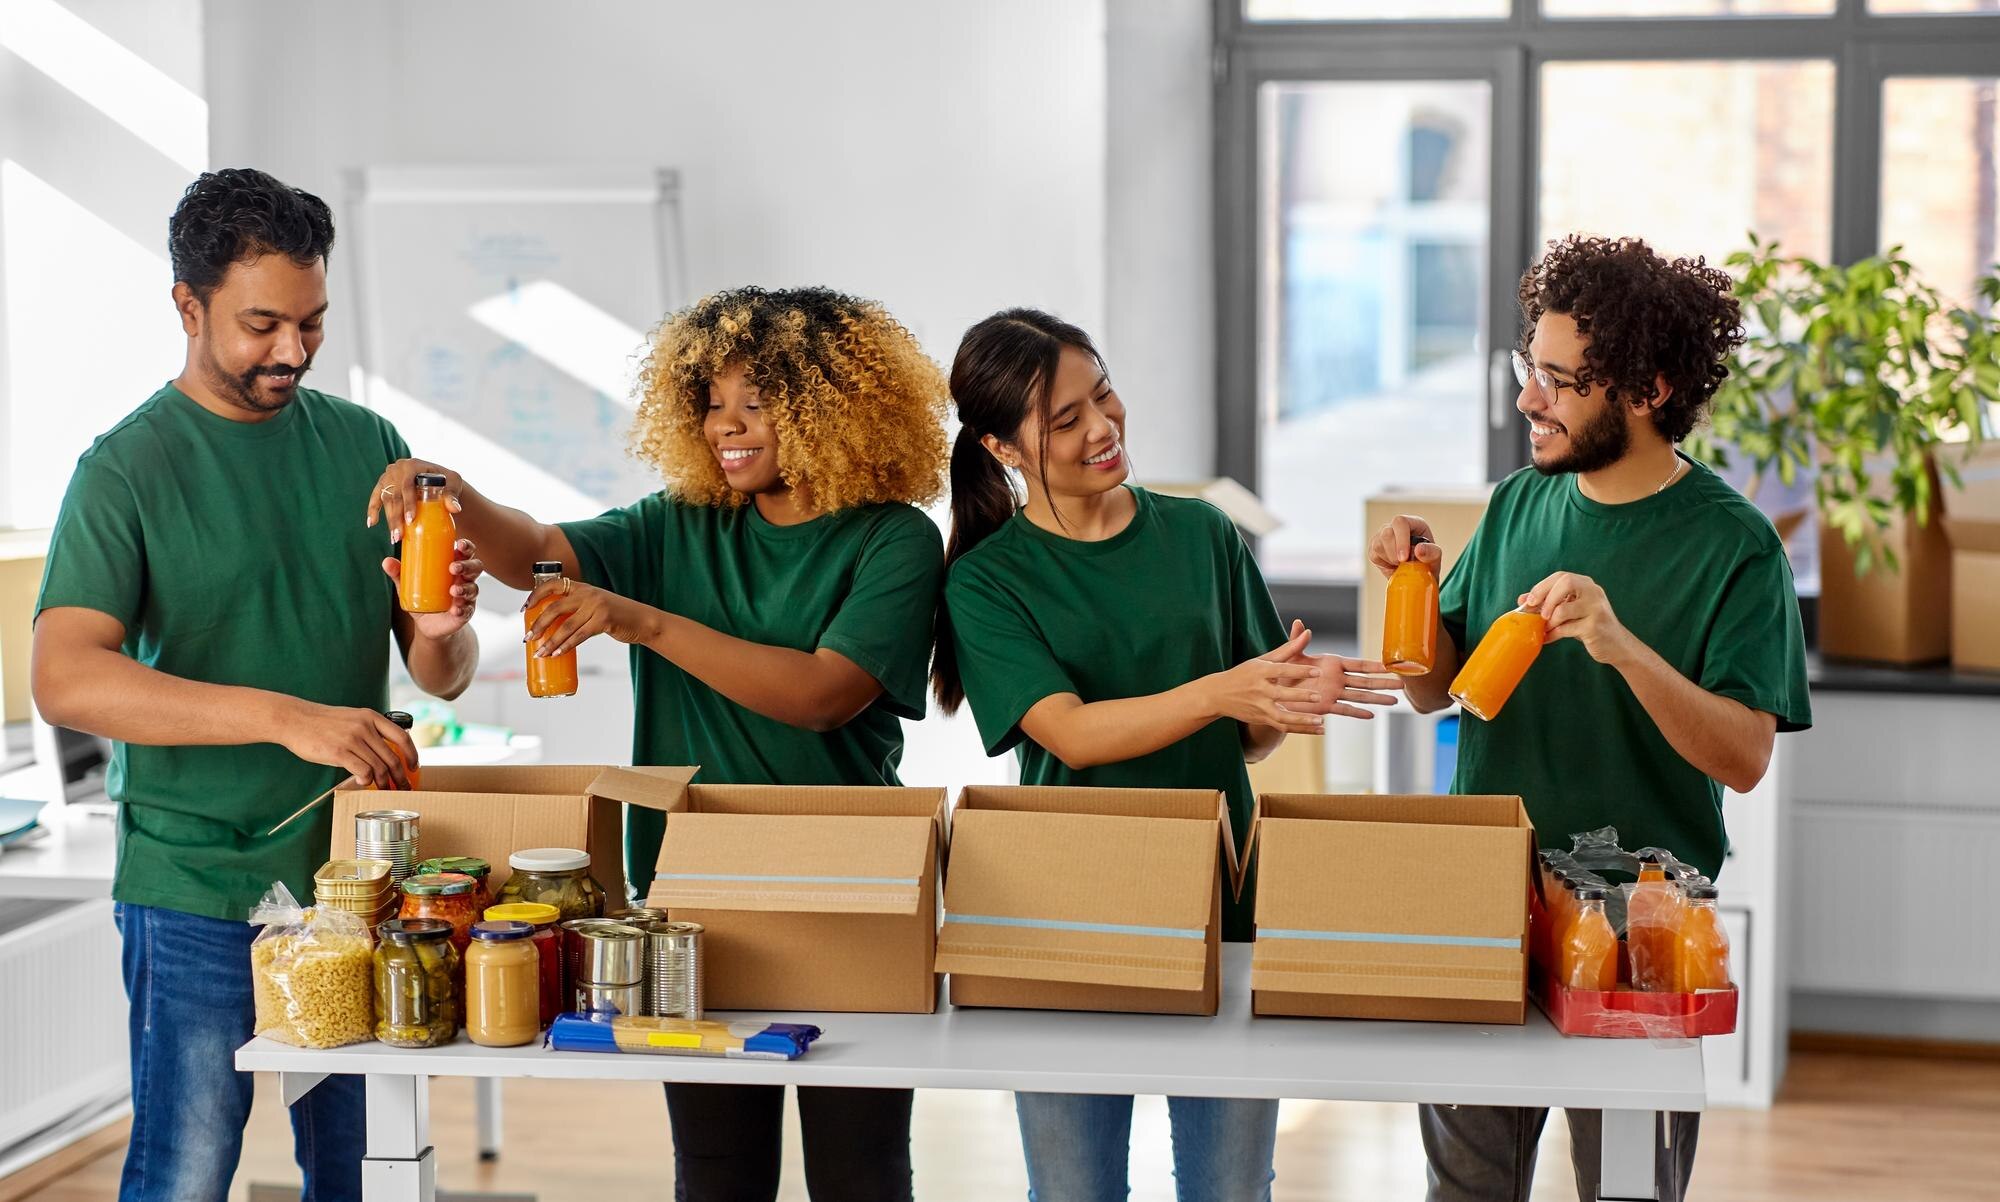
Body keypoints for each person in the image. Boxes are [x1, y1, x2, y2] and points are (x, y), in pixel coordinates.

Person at [368, 285, 949, 1202]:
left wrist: (643, 622)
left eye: (756, 404)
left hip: (849, 885)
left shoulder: (894, 540)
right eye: (712, 404)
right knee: (715, 1174)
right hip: (692, 894)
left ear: (830, 409)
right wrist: (452, 490)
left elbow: (824, 696)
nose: (728, 427)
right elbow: (536, 555)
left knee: (860, 1172)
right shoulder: (678, 522)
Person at [31, 168, 483, 1202]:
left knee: (366, 1163)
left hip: (355, 879)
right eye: (262, 323)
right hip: (192, 879)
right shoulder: (126, 470)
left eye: (313, 322)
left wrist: (446, 622)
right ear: (187, 306)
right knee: (187, 1167)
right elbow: (64, 676)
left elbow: (437, 671)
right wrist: (290, 719)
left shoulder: (368, 448)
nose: (292, 350)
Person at [1374, 234, 1812, 1202]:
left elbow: (1741, 756)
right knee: (1466, 1193)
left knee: (1623, 1191)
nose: (1529, 398)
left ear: (1649, 388)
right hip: (1483, 906)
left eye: (1559, 380)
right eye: (1529, 369)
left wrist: (1618, 644)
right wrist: (1414, 587)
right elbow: (1433, 689)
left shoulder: (1733, 548)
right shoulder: (1515, 503)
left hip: (1637, 935)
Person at [933, 307, 1403, 1202]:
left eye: (1102, 395)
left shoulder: (1202, 535)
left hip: (1220, 905)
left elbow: (1250, 736)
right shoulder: (987, 579)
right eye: (1064, 421)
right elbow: (1070, 731)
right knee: (1074, 1192)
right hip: (1067, 917)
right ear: (1001, 447)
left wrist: (1282, 700)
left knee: (1231, 1189)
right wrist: (1226, 691)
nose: (1103, 427)